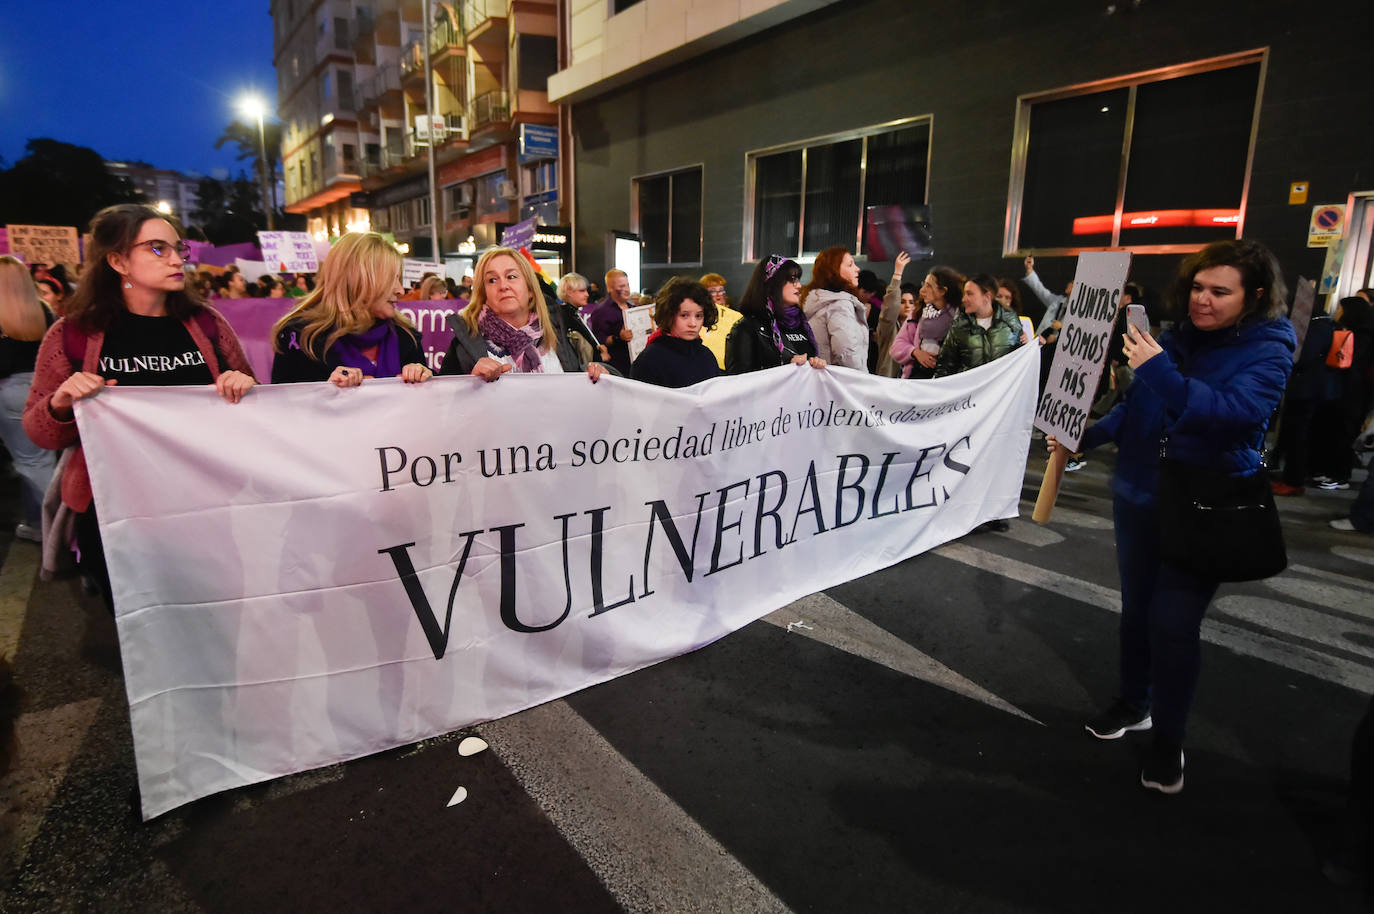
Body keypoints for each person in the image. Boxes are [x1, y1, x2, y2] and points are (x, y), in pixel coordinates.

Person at [1052, 238, 1296, 795]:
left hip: (1201, 504)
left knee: (1173, 625)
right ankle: (1134, 703)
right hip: (1138, 494)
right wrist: (1085, 436)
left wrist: (1160, 370)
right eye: (1196, 288)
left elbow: (1237, 416)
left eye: (1219, 291)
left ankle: (1168, 740)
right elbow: (1140, 405)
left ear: (1254, 297)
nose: (1201, 300)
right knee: (1137, 613)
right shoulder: (1177, 337)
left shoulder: (1271, 345)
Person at [22, 203, 257, 608]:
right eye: (156, 248)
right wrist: (61, 402)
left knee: (210, 607)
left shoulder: (207, 325)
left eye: (177, 249)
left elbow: (252, 408)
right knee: (141, 618)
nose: (175, 259)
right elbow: (39, 432)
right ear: (117, 261)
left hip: (202, 503)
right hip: (116, 511)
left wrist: (245, 386)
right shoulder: (73, 334)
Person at [270, 233, 432, 386]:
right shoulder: (301, 338)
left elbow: (429, 406)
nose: (400, 290)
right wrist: (327, 390)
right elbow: (284, 407)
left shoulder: (406, 335)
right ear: (357, 280)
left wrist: (425, 376)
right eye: (391, 279)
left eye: (399, 278)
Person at [438, 247, 612, 382]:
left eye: (511, 276)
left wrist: (599, 371)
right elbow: (444, 403)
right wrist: (470, 382)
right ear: (484, 295)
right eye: (492, 280)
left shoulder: (556, 330)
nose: (503, 286)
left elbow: (577, 380)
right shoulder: (466, 343)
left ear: (530, 289)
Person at [0, 257, 56, 541]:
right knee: (38, 460)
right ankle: (39, 524)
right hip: (43, 388)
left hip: (11, 392)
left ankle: (64, 530)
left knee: (32, 464)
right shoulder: (43, 310)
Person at [1271, 309, 1338, 496]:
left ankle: (1293, 481)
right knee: (1296, 435)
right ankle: (1290, 478)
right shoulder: (1324, 323)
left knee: (1297, 436)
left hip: (1306, 390)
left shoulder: (1317, 325)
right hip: (1309, 388)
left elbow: (1303, 356)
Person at [725, 255, 825, 374]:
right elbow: (738, 380)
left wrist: (816, 364)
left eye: (798, 279)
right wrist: (785, 368)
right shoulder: (747, 328)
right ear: (773, 283)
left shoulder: (801, 323)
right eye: (792, 279)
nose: (799, 285)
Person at [631, 277, 723, 388]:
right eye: (684, 315)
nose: (693, 323)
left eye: (698, 316)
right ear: (669, 315)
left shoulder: (706, 356)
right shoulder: (650, 360)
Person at [933, 273, 1025, 378]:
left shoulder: (1011, 321)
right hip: (971, 392)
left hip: (1002, 391)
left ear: (987, 296)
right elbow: (945, 368)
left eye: (969, 294)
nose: (964, 299)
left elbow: (1021, 359)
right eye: (964, 294)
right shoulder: (959, 326)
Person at [801, 246, 869, 370]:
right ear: (834, 270)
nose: (857, 269)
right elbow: (847, 354)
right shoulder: (839, 304)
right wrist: (863, 380)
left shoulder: (819, 301)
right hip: (842, 384)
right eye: (850, 265)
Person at [890, 265, 961, 380]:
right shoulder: (917, 314)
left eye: (928, 286)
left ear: (943, 291)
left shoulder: (958, 317)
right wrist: (915, 352)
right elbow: (896, 347)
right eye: (924, 284)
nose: (922, 290)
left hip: (947, 379)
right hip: (917, 377)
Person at [873, 253, 914, 378]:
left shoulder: (917, 328)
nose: (907, 305)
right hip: (889, 384)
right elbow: (890, 307)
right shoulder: (889, 327)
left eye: (911, 302)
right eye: (902, 302)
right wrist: (897, 274)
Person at [587, 268, 635, 374]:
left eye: (627, 285)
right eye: (622, 286)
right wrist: (619, 338)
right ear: (610, 288)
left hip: (635, 364)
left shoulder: (633, 308)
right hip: (617, 368)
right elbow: (599, 339)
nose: (627, 289)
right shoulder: (602, 311)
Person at [698, 271, 743, 370]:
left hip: (725, 370)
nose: (718, 295)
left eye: (721, 290)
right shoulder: (697, 316)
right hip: (701, 366)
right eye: (713, 291)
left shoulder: (736, 317)